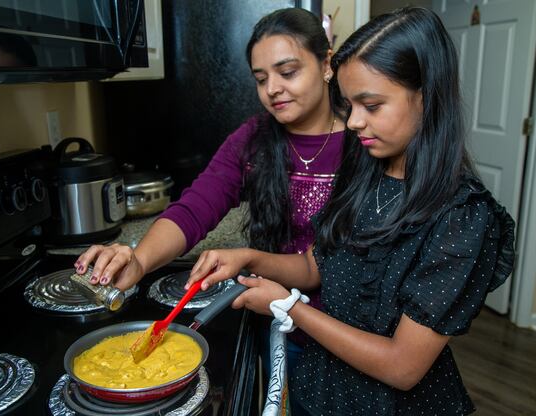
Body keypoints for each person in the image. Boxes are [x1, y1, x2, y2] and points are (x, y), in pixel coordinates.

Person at [186, 7, 515, 415]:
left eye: (371, 105)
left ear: (427, 96)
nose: (354, 122)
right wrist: (250, 258)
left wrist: (290, 308)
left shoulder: (462, 217)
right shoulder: (366, 171)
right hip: (321, 389)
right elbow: (315, 265)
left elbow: (403, 367)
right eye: (350, 104)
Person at [75, 7, 346, 369]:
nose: (272, 90)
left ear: (326, 63)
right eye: (261, 78)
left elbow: (329, 265)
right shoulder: (252, 139)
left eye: (288, 72)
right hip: (278, 324)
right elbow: (194, 209)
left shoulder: (367, 140)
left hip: (349, 333)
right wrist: (139, 260)